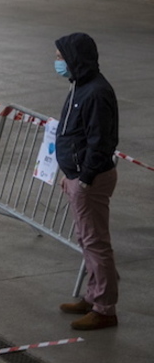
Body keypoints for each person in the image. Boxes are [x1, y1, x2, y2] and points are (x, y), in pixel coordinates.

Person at [54, 33, 120, 331]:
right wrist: (67, 173)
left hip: (89, 181)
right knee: (86, 239)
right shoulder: (80, 86)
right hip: (77, 176)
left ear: (74, 58)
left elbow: (101, 142)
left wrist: (84, 179)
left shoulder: (95, 93)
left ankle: (105, 308)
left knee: (96, 243)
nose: (57, 62)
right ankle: (94, 296)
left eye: (60, 57)